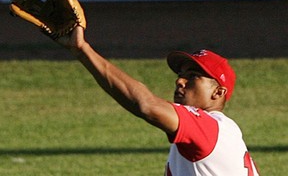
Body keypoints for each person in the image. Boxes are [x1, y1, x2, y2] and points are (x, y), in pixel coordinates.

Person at [54, 25, 259, 176]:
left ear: (218, 92)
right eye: (181, 74)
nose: (180, 80)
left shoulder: (208, 128)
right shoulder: (217, 131)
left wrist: (83, 50)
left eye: (194, 76)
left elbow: (147, 105)